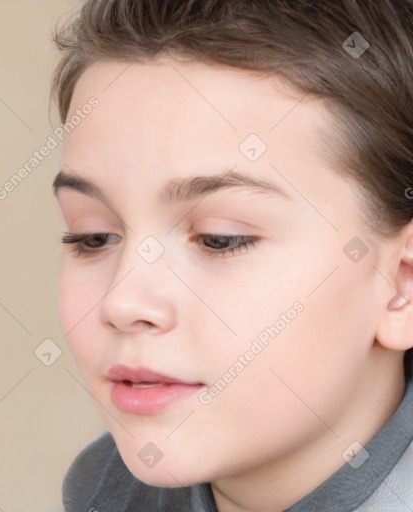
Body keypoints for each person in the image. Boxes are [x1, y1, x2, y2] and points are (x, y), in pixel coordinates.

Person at [50, 1, 413, 510]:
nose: (123, 301)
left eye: (219, 239)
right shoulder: (103, 488)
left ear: (401, 284)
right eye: (92, 237)